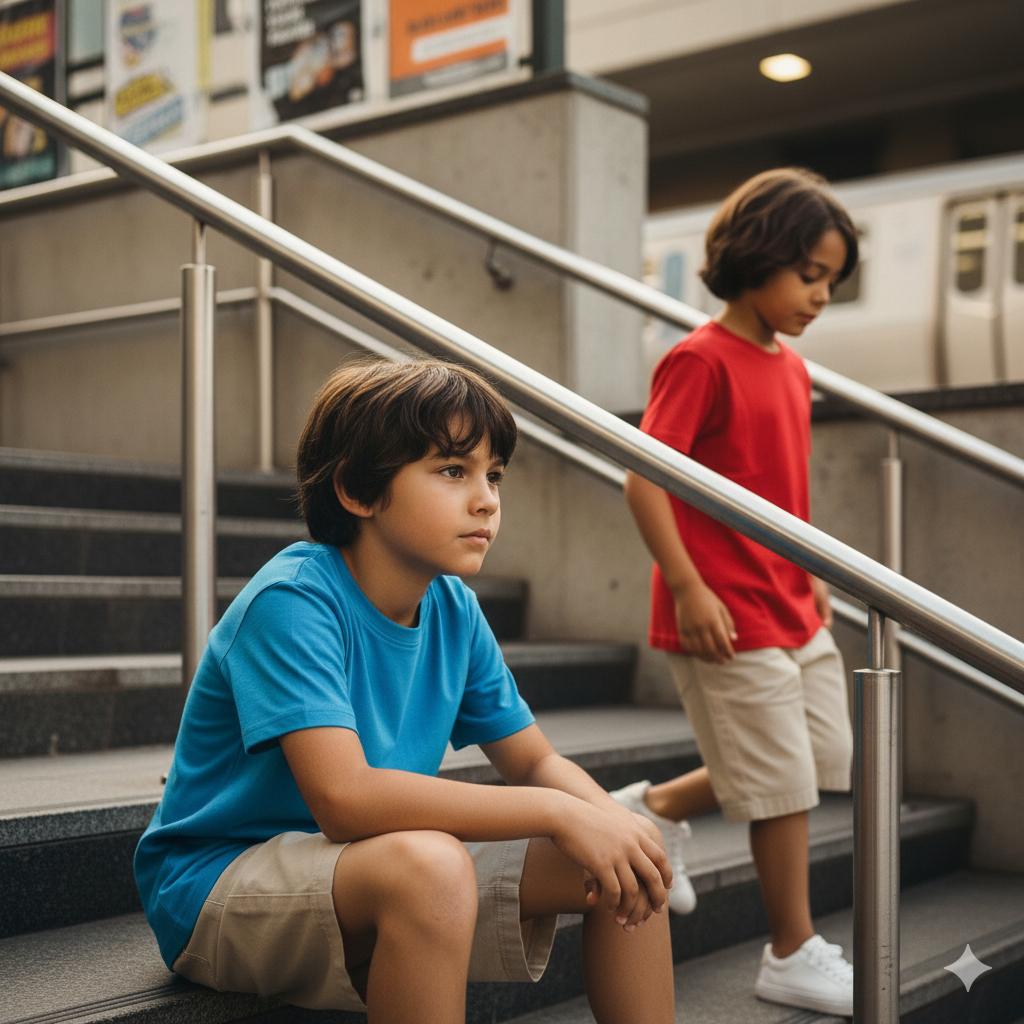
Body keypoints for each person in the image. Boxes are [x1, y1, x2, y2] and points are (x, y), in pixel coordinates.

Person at [134, 359, 675, 1024]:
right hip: (218, 883)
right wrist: (559, 814)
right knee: (432, 864)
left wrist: (608, 823)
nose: (486, 499)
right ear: (358, 491)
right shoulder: (293, 601)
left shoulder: (452, 608)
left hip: (364, 868)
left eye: (493, 475)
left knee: (627, 859)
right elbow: (346, 799)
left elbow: (534, 761)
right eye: (453, 471)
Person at [610, 168, 859, 1017]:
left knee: (820, 755)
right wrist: (687, 585)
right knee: (781, 779)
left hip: (790, 599)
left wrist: (815, 571)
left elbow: (785, 486)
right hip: (724, 608)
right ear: (756, 256)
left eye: (831, 278)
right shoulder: (698, 358)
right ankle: (790, 949)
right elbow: (645, 479)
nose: (820, 294)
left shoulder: (790, 369)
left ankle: (655, 808)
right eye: (809, 274)